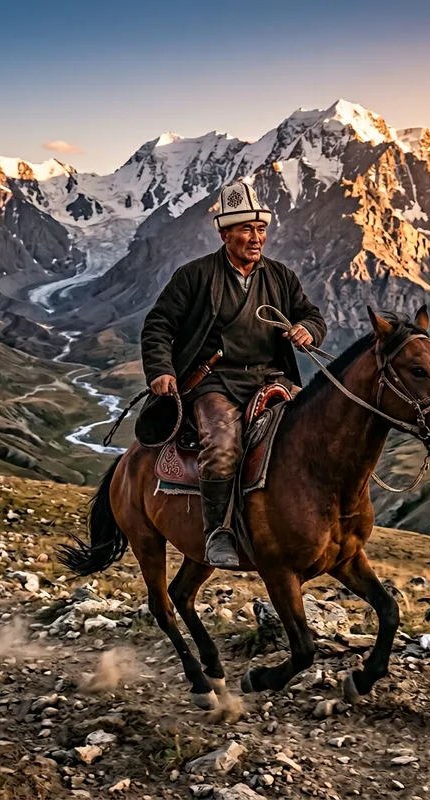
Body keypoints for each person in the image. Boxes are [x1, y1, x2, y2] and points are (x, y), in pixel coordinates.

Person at [136, 182, 327, 567]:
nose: (256, 239)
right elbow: (158, 326)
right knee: (222, 449)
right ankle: (217, 533)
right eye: (245, 230)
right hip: (214, 383)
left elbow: (312, 316)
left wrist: (309, 330)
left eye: (260, 230)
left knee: (319, 434)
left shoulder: (281, 277)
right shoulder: (194, 276)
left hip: (272, 379)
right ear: (225, 235)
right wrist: (161, 370)